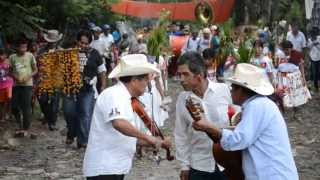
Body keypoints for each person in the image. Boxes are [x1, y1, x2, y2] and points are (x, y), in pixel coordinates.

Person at [191, 63, 299, 180]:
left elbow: (238, 140)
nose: (230, 91)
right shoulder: (259, 104)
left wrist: (209, 127)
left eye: (233, 88)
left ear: (242, 90)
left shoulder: (257, 106)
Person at [83, 54, 171, 180]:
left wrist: (158, 142)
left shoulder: (128, 99)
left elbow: (129, 136)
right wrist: (148, 137)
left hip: (115, 167)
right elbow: (119, 124)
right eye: (146, 80)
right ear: (135, 80)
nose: (147, 84)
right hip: (105, 167)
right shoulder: (114, 94)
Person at [175, 51, 232, 180]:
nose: (181, 79)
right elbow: (180, 134)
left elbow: (237, 121)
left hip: (227, 164)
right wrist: (184, 166)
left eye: (185, 74)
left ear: (199, 75)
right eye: (179, 74)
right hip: (199, 166)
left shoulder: (223, 90)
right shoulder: (182, 100)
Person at [63, 30, 107, 148]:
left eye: (86, 43)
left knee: (85, 114)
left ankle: (83, 140)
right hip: (70, 88)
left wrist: (102, 85)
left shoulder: (95, 54)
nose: (84, 46)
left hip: (87, 89)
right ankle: (71, 133)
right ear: (77, 42)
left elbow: (102, 71)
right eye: (81, 43)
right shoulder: (69, 53)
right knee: (69, 112)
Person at [9, 39, 38, 134]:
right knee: (14, 106)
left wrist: (28, 76)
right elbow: (9, 71)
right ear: (17, 47)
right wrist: (15, 77)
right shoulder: (12, 57)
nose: (23, 49)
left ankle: (25, 127)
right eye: (21, 47)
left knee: (26, 107)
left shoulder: (30, 56)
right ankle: (19, 121)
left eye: (25, 47)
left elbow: (35, 70)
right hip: (16, 85)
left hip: (27, 85)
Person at [37, 29, 63, 130]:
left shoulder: (61, 50)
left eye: (54, 41)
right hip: (44, 78)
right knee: (42, 99)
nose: (52, 43)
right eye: (50, 41)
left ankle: (52, 122)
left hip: (56, 78)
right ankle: (47, 116)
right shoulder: (42, 50)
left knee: (54, 101)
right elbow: (38, 62)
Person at [0, 49, 13, 122]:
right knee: (2, 102)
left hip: (9, 83)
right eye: (1, 55)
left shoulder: (8, 61)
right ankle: (3, 116)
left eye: (3, 54)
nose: (2, 56)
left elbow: (12, 70)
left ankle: (9, 113)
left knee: (9, 98)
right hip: (1, 85)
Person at [307, 27, 320, 91]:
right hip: (313, 59)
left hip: (319, 58)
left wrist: (317, 44)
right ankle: (316, 87)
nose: (313, 35)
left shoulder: (319, 38)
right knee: (314, 73)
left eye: (314, 34)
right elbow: (309, 48)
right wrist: (313, 43)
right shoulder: (309, 40)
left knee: (318, 72)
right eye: (312, 34)